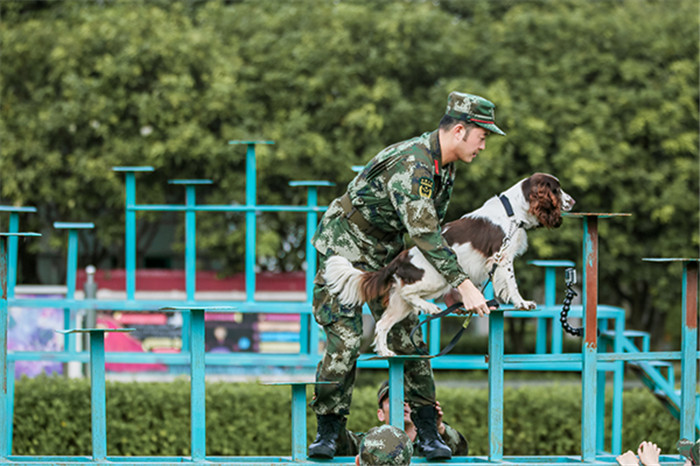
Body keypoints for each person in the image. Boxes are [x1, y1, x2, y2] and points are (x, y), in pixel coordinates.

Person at [308, 92, 505, 459]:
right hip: (346, 245)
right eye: (482, 135)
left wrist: (448, 289)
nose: (483, 145)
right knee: (345, 338)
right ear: (460, 130)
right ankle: (329, 430)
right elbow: (425, 233)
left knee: (407, 337)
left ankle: (429, 432)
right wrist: (464, 283)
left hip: (386, 252)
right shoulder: (414, 164)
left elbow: (437, 236)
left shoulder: (443, 168)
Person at [336, 380, 469, 457]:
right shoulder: (370, 444)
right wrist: (329, 411)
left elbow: (461, 451)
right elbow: (341, 443)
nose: (403, 403)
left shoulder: (433, 446)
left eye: (409, 400)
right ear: (380, 414)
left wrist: (438, 428)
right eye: (393, 399)